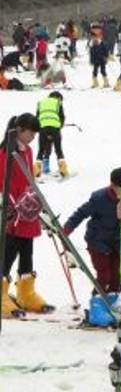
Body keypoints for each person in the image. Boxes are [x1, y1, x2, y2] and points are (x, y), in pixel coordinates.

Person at [63, 167, 121, 327]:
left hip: (117, 244)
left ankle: (112, 307)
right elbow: (81, 213)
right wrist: (67, 228)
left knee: (116, 276)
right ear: (113, 185)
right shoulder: (99, 198)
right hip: (98, 243)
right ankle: (96, 307)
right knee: (104, 276)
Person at [1, 113, 53, 318]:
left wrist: (34, 201)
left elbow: (29, 178)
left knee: (27, 251)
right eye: (31, 133)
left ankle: (26, 293)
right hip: (12, 213)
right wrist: (12, 206)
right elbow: (2, 183)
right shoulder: (5, 153)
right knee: (8, 252)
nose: (33, 138)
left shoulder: (28, 151)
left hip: (28, 210)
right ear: (20, 130)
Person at [35, 91, 68, 177]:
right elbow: (62, 116)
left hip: (42, 127)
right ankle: (63, 170)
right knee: (58, 149)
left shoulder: (40, 103)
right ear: (58, 97)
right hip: (55, 127)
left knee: (41, 150)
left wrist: (40, 129)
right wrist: (60, 126)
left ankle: (37, 171)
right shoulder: (58, 103)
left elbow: (37, 117)